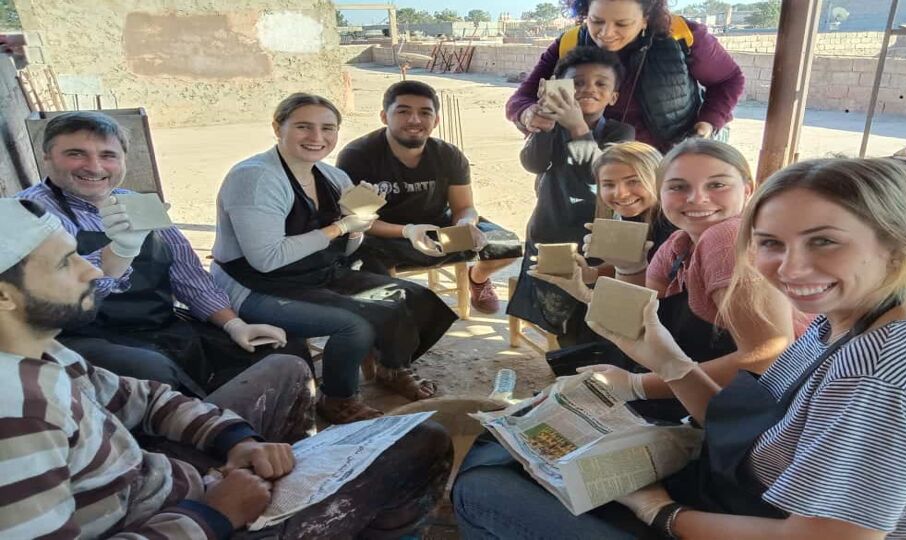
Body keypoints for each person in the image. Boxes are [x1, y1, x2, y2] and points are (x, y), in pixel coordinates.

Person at [455, 157, 906, 539]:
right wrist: (668, 361)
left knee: (482, 489)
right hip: (748, 492)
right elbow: (758, 427)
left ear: (897, 244)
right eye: (770, 243)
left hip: (768, 521)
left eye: (825, 242)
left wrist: (661, 512)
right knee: (502, 453)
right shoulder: (860, 316)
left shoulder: (880, 380)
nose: (791, 269)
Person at [0, 197, 454, 539]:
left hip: (161, 483)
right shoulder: (17, 417)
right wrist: (214, 514)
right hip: (183, 523)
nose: (94, 272)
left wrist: (236, 440)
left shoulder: (41, 349)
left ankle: (285, 486)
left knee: (285, 367)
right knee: (422, 444)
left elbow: (145, 399)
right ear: (4, 297)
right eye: (65, 263)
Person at [18, 111, 303, 397]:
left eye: (108, 155)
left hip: (157, 324)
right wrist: (118, 252)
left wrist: (234, 324)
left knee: (280, 348)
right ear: (47, 158)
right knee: (155, 373)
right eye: (76, 154)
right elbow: (56, 302)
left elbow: (188, 276)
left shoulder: (137, 204)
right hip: (81, 336)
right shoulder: (27, 213)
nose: (94, 167)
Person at [212, 93, 457, 423]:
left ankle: (392, 369)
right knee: (353, 326)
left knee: (409, 296)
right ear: (277, 127)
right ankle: (337, 398)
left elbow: (348, 250)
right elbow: (266, 259)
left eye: (328, 128)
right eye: (303, 127)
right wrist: (341, 226)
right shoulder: (255, 178)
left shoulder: (333, 178)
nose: (317, 138)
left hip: (316, 273)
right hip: (256, 286)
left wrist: (359, 225)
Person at [533, 139, 806, 422]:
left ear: (747, 189)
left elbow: (766, 357)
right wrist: (613, 276)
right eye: (678, 187)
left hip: (765, 406)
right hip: (702, 383)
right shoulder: (679, 243)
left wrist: (636, 386)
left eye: (717, 185)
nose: (697, 198)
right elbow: (639, 319)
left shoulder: (726, 238)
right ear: (661, 192)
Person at [336, 80, 522, 314]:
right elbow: (359, 220)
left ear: (436, 120)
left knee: (508, 244)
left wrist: (466, 224)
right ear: (384, 116)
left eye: (425, 113)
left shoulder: (448, 154)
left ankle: (477, 277)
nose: (415, 120)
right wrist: (408, 231)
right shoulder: (359, 156)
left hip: (440, 230)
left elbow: (464, 206)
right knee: (358, 260)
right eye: (403, 111)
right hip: (388, 235)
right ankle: (390, 318)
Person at [506, 47, 638, 344]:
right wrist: (542, 128)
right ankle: (565, 353)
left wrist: (576, 125)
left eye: (601, 83)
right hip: (551, 229)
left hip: (599, 239)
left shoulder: (621, 133)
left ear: (613, 96)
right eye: (577, 83)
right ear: (562, 89)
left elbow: (597, 173)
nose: (588, 89)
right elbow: (533, 164)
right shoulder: (552, 127)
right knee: (558, 310)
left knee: (594, 309)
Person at [506, 0, 744, 152]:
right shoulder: (569, 43)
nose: (606, 33)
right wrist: (527, 114)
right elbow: (520, 99)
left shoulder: (684, 36)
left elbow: (729, 79)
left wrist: (707, 124)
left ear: (645, 19)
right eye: (596, 21)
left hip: (670, 163)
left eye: (622, 23)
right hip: (595, 166)